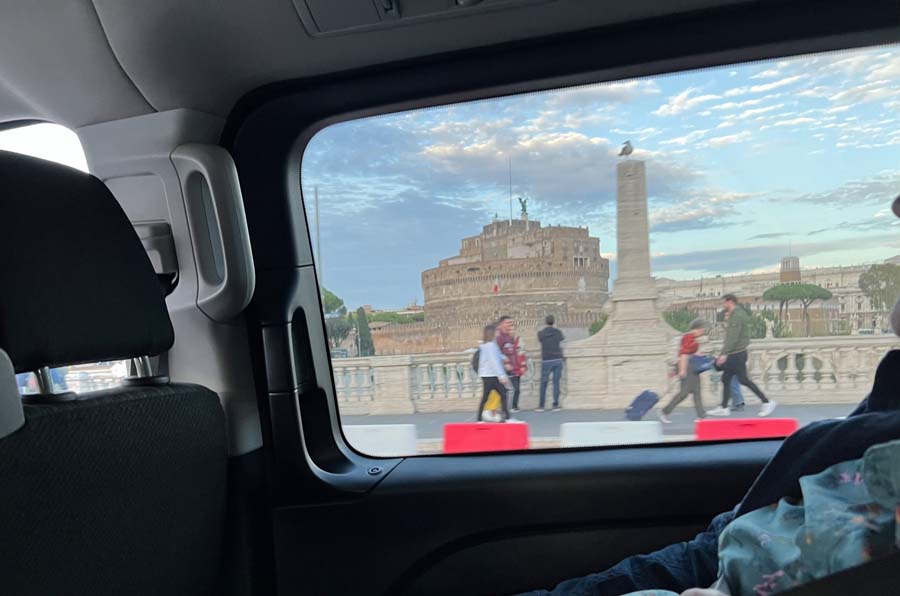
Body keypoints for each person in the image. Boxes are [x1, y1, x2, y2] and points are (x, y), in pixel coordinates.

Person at [707, 295, 776, 417]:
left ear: (730, 302)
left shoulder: (737, 315)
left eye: (724, 303)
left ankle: (767, 402)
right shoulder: (738, 314)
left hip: (736, 354)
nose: (723, 305)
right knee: (726, 379)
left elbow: (732, 337)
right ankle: (723, 407)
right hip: (736, 353)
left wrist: (723, 354)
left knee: (743, 380)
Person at [659, 318, 709, 423]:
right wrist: (682, 370)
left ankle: (701, 416)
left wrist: (698, 355)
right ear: (697, 329)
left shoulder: (692, 338)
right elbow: (684, 354)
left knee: (696, 391)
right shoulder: (688, 337)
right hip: (687, 367)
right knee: (683, 393)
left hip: (692, 367)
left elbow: (688, 354)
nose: (703, 332)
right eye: (702, 329)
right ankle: (664, 412)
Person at [476, 324, 512, 422]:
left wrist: (503, 357)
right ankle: (507, 417)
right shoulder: (491, 345)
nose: (498, 333)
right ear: (492, 333)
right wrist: (501, 375)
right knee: (502, 394)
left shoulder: (486, 345)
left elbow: (496, 355)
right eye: (496, 331)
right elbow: (494, 361)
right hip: (492, 375)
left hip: (486, 375)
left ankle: (479, 419)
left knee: (486, 397)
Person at [497, 316, 526, 413]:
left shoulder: (510, 338)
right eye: (508, 323)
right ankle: (504, 410)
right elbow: (496, 352)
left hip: (513, 368)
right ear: (502, 324)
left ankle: (506, 410)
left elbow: (516, 353)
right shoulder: (499, 338)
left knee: (511, 390)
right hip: (503, 369)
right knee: (508, 390)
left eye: (511, 323)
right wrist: (505, 362)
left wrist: (520, 365)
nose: (510, 325)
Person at [537, 315, 565, 412]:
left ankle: (541, 406)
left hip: (546, 360)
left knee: (543, 383)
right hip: (557, 359)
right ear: (553, 322)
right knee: (556, 383)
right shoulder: (558, 332)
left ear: (545, 322)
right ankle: (555, 405)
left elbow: (540, 340)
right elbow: (562, 342)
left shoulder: (541, 333)